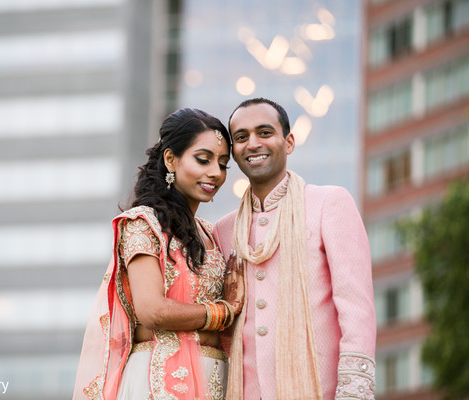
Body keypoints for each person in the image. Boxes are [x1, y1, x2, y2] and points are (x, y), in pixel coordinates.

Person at [73, 108, 245, 400]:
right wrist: (224, 311)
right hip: (159, 380)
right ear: (170, 159)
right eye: (203, 160)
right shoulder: (144, 224)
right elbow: (152, 310)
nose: (215, 172)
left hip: (216, 378)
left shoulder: (210, 233)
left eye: (223, 164)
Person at [212, 98, 376, 400]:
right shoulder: (223, 230)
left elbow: (357, 310)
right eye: (241, 137)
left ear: (288, 142)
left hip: (319, 390)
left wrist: (353, 394)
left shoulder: (329, 204)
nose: (253, 144)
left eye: (264, 132)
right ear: (233, 152)